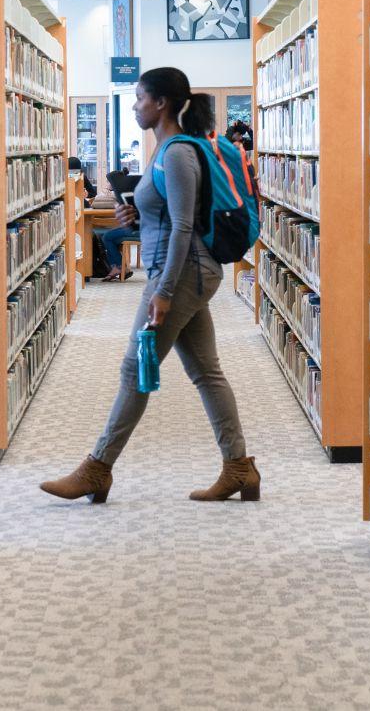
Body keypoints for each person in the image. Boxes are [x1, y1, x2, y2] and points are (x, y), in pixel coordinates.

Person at [40, 67, 258, 504]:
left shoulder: (176, 153)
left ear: (160, 103)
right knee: (205, 371)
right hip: (183, 269)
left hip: (179, 273)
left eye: (140, 98)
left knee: (133, 370)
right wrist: (136, 216)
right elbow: (173, 216)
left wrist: (163, 292)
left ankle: (97, 469)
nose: (136, 105)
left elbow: (182, 228)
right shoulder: (165, 151)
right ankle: (240, 469)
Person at [95, 169, 139, 282]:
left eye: (108, 182)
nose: (107, 184)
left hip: (136, 228)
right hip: (135, 226)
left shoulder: (121, 194)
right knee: (108, 237)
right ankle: (117, 267)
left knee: (107, 237)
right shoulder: (128, 190)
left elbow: (98, 202)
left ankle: (120, 267)